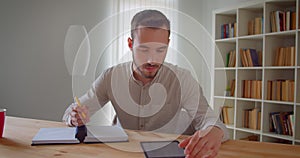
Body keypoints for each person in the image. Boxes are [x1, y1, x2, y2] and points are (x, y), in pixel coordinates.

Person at [63, 9, 229, 158]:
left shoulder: (183, 79)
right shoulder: (111, 76)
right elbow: (72, 113)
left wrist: (215, 130)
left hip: (172, 153)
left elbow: (210, 121)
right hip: (124, 153)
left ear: (168, 45)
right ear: (130, 44)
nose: (152, 59)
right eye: (144, 49)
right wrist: (74, 117)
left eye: (160, 50)